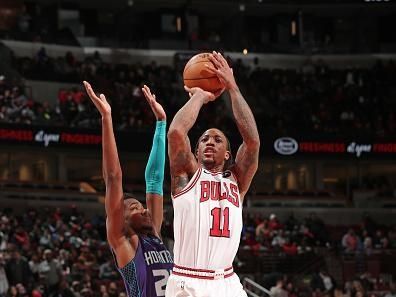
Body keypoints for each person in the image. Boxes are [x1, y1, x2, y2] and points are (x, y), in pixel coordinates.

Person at [166, 51, 260, 297]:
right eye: (204, 139)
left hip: (227, 281)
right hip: (189, 280)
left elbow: (252, 142)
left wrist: (233, 89)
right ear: (195, 151)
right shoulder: (187, 175)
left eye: (217, 140)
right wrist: (199, 96)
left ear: (228, 154)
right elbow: (176, 132)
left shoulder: (237, 182)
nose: (209, 142)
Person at [83, 81, 173, 297]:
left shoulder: (156, 235)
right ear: (120, 220)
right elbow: (113, 178)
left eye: (141, 206)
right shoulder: (125, 242)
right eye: (134, 208)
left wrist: (161, 123)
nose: (143, 210)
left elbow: (155, 180)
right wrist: (106, 118)